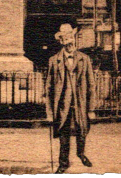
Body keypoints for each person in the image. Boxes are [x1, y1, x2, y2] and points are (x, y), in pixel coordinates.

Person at [45, 22, 96, 174]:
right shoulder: (54, 60)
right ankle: (63, 163)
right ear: (61, 41)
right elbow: (49, 88)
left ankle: (81, 153)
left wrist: (91, 109)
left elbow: (91, 85)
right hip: (63, 105)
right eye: (66, 40)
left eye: (71, 39)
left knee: (82, 130)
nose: (70, 44)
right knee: (64, 133)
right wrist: (49, 112)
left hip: (80, 102)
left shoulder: (84, 59)